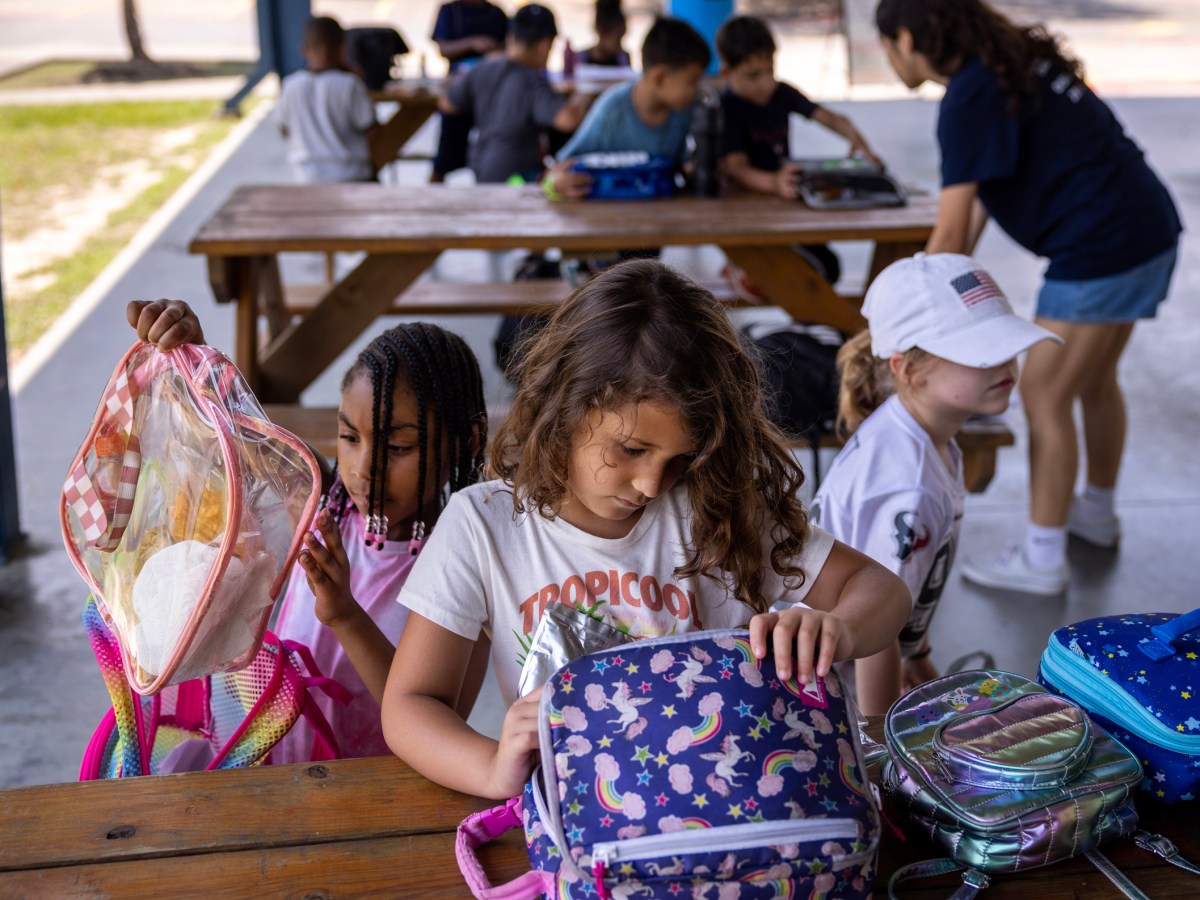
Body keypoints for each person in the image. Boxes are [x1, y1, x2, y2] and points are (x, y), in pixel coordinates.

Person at [381, 259, 911, 799]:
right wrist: (492, 767)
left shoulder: (717, 506)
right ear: (563, 408)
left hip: (730, 802)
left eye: (682, 457)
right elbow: (410, 705)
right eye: (631, 450)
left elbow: (883, 591)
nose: (654, 484)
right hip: (582, 813)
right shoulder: (485, 524)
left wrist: (839, 628)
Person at [876, 0, 1182, 595]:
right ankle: (1094, 514)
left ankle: (1043, 557)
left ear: (908, 37)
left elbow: (947, 233)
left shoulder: (968, 93)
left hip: (1102, 244)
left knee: (1043, 390)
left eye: (888, 45)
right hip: (1147, 228)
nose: (891, 59)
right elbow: (974, 215)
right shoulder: (1011, 63)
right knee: (1092, 380)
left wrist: (895, 329)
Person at [124, 299, 491, 762]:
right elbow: (236, 433)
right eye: (350, 438)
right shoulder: (322, 503)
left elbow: (443, 718)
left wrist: (345, 615)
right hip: (271, 763)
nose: (363, 470)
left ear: (468, 442)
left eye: (397, 446)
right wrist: (193, 351)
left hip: (368, 800)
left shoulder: (471, 565)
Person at [811, 254, 1060, 715]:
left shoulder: (924, 437)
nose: (1004, 363)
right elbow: (873, 636)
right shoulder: (909, 487)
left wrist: (919, 657)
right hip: (833, 695)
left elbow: (904, 597)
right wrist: (886, 750)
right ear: (909, 370)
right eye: (979, 351)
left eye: (1006, 345)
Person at [716, 14, 882, 286]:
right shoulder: (729, 107)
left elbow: (830, 118)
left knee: (828, 265)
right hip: (743, 207)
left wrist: (860, 144)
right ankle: (744, 269)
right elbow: (736, 167)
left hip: (783, 197)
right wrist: (773, 182)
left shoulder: (781, 94)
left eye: (770, 70)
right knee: (813, 269)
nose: (766, 83)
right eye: (753, 75)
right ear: (727, 74)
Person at [546, 16, 711, 198]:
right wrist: (556, 184)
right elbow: (556, 171)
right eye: (692, 81)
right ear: (659, 78)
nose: (698, 89)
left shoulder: (687, 111)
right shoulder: (611, 112)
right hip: (613, 220)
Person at [441, 4, 592, 184]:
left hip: (482, 170)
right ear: (545, 45)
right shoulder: (531, 81)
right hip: (516, 177)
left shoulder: (483, 68)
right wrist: (582, 97)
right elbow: (567, 119)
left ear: (510, 37)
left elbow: (447, 103)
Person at [276, 16, 379, 184]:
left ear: (304, 49)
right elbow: (371, 130)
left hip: (306, 178)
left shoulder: (290, 85)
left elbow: (285, 130)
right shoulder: (350, 84)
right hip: (351, 176)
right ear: (343, 49)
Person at [430, 0, 511, 182]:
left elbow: (509, 49)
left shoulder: (496, 13)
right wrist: (472, 43)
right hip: (459, 88)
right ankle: (432, 200)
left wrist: (494, 53)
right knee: (446, 153)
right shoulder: (450, 11)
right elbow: (443, 48)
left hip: (493, 91)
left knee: (493, 152)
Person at [565, 0, 631, 70]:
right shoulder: (579, 59)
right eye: (618, 39)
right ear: (602, 34)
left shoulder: (623, 59)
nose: (620, 45)